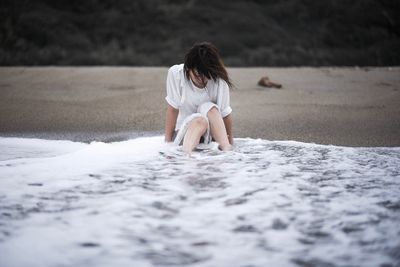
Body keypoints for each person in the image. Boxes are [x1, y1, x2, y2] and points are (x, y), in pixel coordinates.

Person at [164, 42, 234, 154]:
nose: (202, 79)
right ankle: (186, 157)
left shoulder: (219, 81)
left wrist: (230, 143)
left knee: (209, 107)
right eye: (197, 75)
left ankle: (228, 152)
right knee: (200, 120)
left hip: (211, 137)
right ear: (188, 68)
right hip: (186, 136)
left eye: (206, 75)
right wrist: (167, 143)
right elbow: (172, 109)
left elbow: (225, 114)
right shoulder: (176, 74)